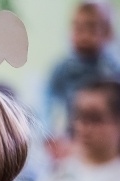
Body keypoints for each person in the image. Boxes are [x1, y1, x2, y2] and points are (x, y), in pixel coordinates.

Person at [44, 1, 120, 156]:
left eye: (91, 27)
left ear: (108, 32)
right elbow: (48, 105)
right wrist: (51, 135)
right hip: (72, 141)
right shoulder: (63, 69)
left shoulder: (112, 69)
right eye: (77, 28)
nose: (83, 35)